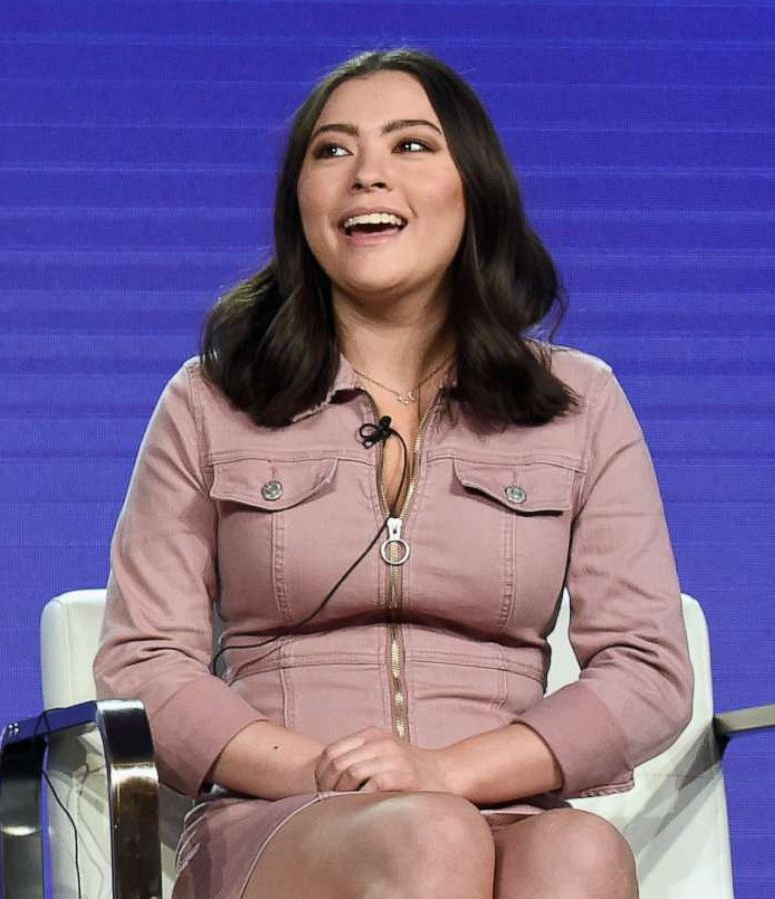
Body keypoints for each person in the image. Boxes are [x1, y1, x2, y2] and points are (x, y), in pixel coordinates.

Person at [94, 48, 692, 899]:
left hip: (502, 805)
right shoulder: (212, 400)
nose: (367, 176)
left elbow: (646, 669)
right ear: (300, 201)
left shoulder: (578, 403)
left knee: (581, 853)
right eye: (332, 151)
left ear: (472, 187)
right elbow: (145, 661)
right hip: (282, 819)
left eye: (410, 146)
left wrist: (446, 771)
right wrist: (332, 769)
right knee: (426, 836)